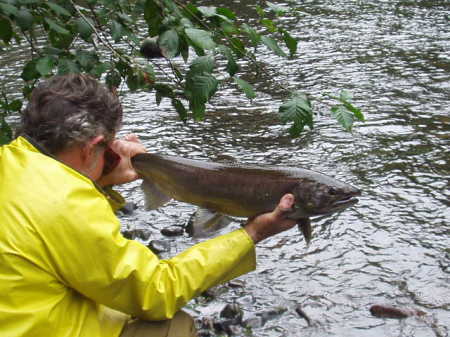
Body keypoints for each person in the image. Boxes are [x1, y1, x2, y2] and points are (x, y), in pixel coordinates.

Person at [0, 74, 297, 337]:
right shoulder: (64, 202)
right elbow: (157, 291)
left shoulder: (12, 162)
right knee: (173, 326)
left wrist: (101, 182)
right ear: (92, 147)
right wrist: (251, 235)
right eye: (108, 148)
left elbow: (64, 240)